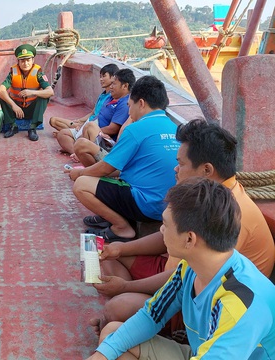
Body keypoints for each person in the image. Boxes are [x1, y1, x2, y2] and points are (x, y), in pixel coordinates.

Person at [90, 119, 275, 334]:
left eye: (182, 163)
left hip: (201, 304)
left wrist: (125, 288)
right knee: (111, 256)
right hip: (179, 273)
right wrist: (120, 249)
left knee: (116, 309)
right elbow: (168, 236)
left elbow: (183, 279)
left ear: (207, 169)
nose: (175, 169)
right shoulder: (208, 196)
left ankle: (144, 320)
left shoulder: (228, 213)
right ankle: (134, 314)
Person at [87, 178, 275, 360]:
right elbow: (152, 315)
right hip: (202, 352)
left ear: (189, 239)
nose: (161, 230)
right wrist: (102, 354)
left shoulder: (240, 304)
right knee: (112, 336)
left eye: (166, 225)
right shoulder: (191, 267)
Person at [70, 76, 179, 242]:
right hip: (170, 206)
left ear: (141, 103)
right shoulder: (176, 128)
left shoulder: (136, 129)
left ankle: (122, 227)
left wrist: (79, 173)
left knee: (82, 184)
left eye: (130, 105)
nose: (129, 112)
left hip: (147, 205)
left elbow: (106, 167)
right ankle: (112, 216)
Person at [51, 63, 118, 154]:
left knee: (62, 133)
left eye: (104, 76)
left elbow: (103, 120)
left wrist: (83, 125)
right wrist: (79, 121)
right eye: (100, 76)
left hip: (93, 127)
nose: (101, 79)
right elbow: (92, 113)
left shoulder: (112, 97)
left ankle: (75, 151)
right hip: (88, 122)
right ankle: (75, 148)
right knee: (54, 122)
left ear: (113, 77)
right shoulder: (102, 95)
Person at [0, 44, 54, 141]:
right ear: (18, 62)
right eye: (22, 60)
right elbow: (0, 90)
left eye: (28, 60)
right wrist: (14, 106)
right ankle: (12, 126)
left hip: (31, 110)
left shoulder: (38, 74)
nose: (26, 63)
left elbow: (50, 92)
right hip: (16, 110)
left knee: (44, 97)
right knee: (2, 97)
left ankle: (32, 128)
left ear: (33, 60)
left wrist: (32, 92)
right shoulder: (13, 73)